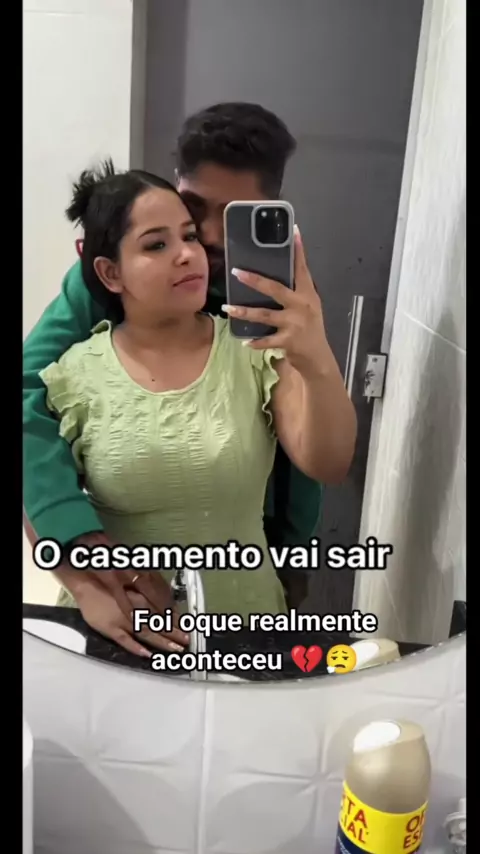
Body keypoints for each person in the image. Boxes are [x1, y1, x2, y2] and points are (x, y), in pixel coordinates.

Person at [23, 104, 356, 657]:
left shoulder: (279, 292)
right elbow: (26, 394)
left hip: (254, 560)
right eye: (195, 209)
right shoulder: (95, 298)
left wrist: (293, 553)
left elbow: (313, 453)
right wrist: (81, 564)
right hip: (128, 600)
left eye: (232, 216)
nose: (204, 237)